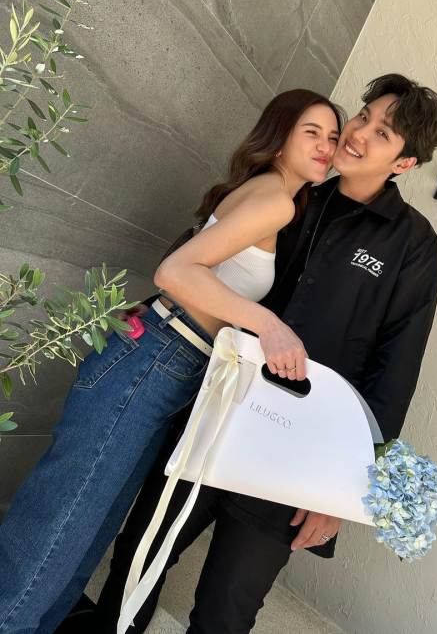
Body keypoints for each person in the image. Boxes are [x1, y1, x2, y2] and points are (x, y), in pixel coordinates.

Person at [88, 73, 437, 634]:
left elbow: (395, 371)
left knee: (227, 608)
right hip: (216, 411)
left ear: (404, 163)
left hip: (297, 454)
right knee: (137, 556)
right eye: (363, 117)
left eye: (382, 133)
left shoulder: (412, 244)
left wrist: (343, 493)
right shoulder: (296, 194)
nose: (358, 133)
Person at [0, 89, 344, 634]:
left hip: (164, 361)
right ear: (280, 137)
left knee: (86, 528)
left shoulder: (272, 194)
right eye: (312, 132)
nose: (326, 145)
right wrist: (268, 324)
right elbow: (176, 272)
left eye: (332, 137)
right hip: (157, 358)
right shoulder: (275, 201)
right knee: (61, 523)